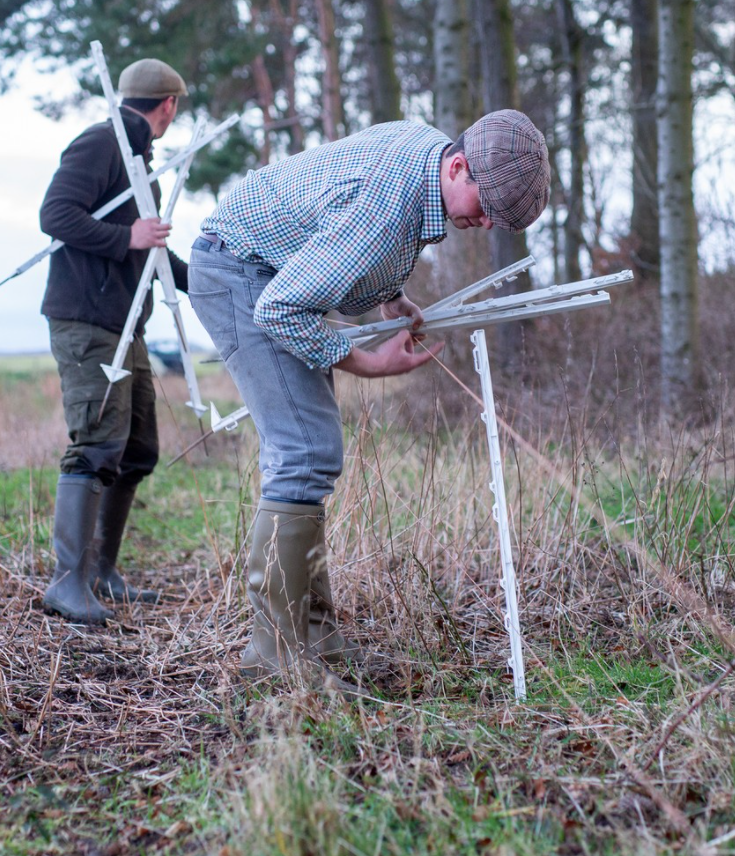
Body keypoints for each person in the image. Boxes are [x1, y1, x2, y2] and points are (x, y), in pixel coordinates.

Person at [187, 109, 550, 685]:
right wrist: (370, 364)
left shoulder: (427, 155)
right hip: (239, 274)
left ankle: (318, 638)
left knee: (310, 450)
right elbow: (281, 307)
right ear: (458, 166)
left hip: (270, 270)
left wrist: (390, 297)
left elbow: (346, 227)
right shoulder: (388, 209)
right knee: (304, 451)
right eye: (485, 210)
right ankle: (276, 658)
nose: (484, 224)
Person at [39, 58, 190, 624]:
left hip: (126, 325)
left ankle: (102, 573)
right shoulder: (101, 144)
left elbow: (149, 248)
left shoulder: (138, 158)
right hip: (87, 321)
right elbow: (55, 214)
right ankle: (67, 584)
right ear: (168, 104)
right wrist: (125, 235)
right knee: (98, 442)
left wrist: (206, 283)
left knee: (137, 447)